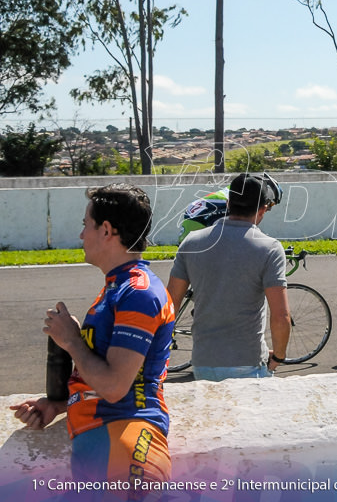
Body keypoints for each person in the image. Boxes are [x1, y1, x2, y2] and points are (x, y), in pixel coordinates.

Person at [8, 183, 175, 492]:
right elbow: (100, 375)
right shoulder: (118, 286)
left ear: (107, 230)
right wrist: (60, 404)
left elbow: (113, 387)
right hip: (105, 442)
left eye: (86, 225)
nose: (82, 234)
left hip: (124, 441)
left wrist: (71, 341)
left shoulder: (138, 292)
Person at [167, 172, 290, 380]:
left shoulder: (191, 243)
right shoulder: (270, 248)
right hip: (248, 362)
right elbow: (281, 317)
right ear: (261, 210)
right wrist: (278, 356)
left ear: (229, 203)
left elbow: (169, 305)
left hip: (202, 362)